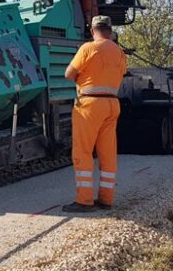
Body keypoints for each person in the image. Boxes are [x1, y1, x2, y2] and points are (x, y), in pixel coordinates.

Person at [62, 16, 127, 212]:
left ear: (92, 30)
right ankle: (106, 199)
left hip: (90, 105)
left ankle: (84, 200)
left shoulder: (88, 48)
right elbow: (122, 73)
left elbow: (68, 74)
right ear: (110, 29)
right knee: (107, 152)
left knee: (82, 151)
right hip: (112, 104)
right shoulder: (120, 52)